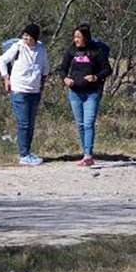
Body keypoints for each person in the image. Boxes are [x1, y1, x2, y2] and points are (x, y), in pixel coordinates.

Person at [58, 24, 113, 167]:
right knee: (80, 125)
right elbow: (62, 69)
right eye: (74, 36)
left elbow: (107, 69)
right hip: (75, 92)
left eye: (78, 37)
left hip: (91, 93)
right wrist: (65, 79)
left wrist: (96, 77)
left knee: (89, 123)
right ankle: (85, 154)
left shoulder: (96, 51)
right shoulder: (71, 50)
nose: (76, 40)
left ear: (86, 38)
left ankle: (88, 154)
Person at [0, 23, 50, 166]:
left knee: (31, 123)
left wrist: (43, 83)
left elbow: (45, 67)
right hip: (19, 89)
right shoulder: (18, 47)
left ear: (35, 38)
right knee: (23, 123)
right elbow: (2, 60)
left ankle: (28, 151)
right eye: (25, 35)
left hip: (34, 91)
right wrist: (6, 79)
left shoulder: (41, 48)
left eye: (29, 36)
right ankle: (24, 155)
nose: (26, 38)